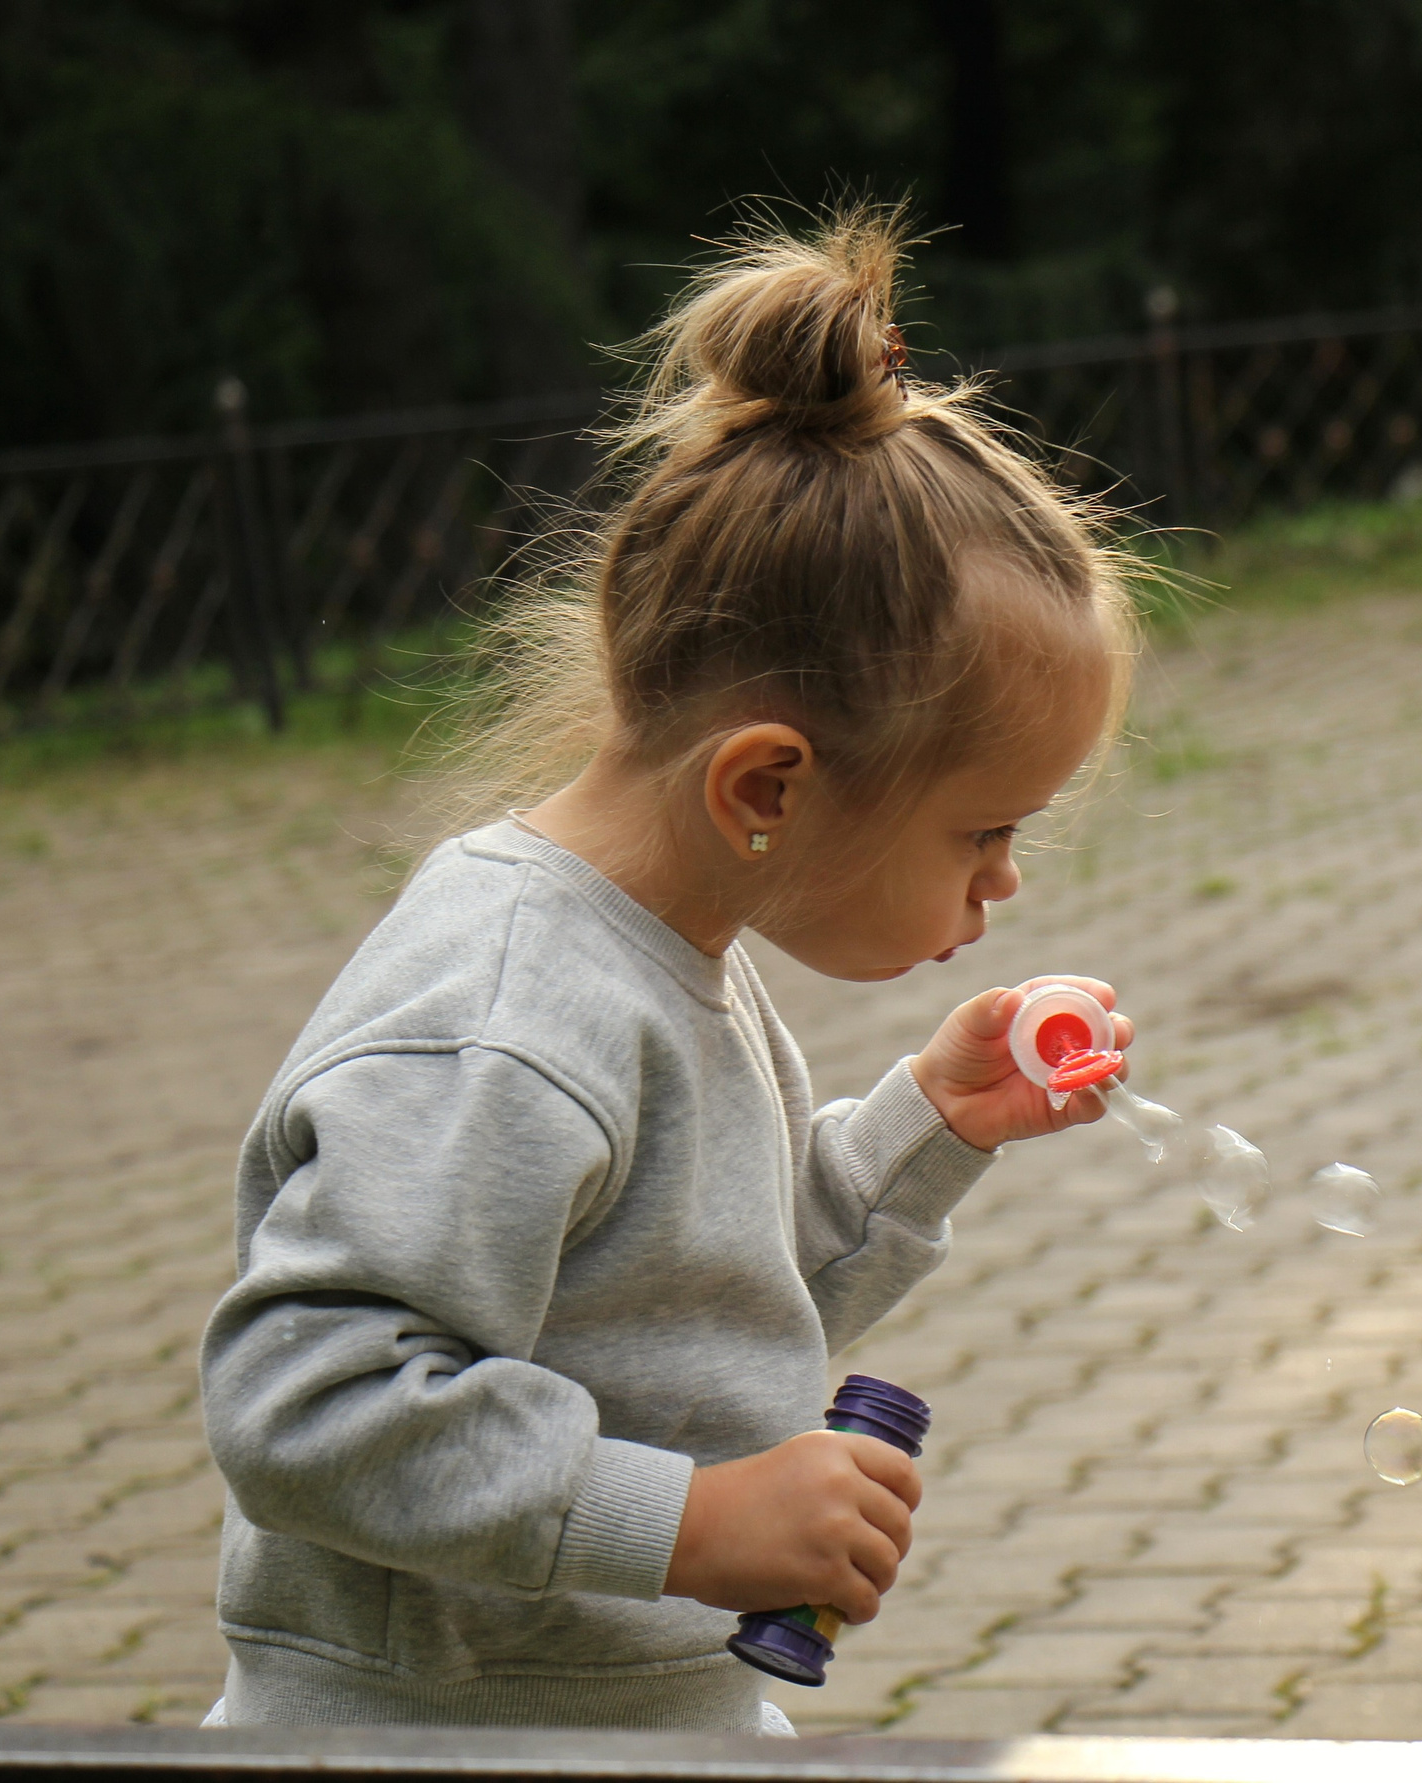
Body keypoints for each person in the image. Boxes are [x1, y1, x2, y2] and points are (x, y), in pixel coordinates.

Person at [196, 211, 1137, 1733]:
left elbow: (701, 1306)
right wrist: (695, 1528)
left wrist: (928, 1127)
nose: (1004, 884)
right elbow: (311, 1404)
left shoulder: (670, 953)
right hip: (434, 1739)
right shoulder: (507, 1025)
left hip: (618, 1711)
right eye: (982, 831)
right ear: (767, 787)